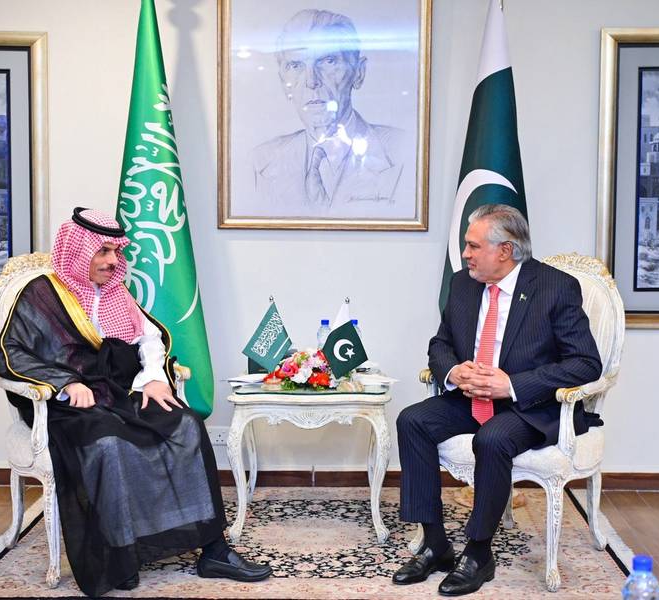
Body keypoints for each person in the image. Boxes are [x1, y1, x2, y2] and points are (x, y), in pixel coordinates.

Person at [0, 208, 271, 597]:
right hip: (68, 405)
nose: (112, 261)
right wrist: (66, 383)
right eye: (103, 251)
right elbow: (12, 352)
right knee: (107, 443)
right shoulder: (41, 293)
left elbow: (149, 337)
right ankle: (120, 556)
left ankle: (214, 549)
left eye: (116, 252)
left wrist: (154, 377)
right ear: (78, 251)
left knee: (186, 425)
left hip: (120, 392)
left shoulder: (116, 292)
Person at [393, 204, 602, 596]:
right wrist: (453, 372)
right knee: (412, 420)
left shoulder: (555, 287)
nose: (465, 254)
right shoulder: (463, 284)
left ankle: (478, 553)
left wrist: (513, 384)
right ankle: (435, 544)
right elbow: (440, 344)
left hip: (529, 407)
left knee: (491, 439)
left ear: (505, 250)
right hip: (471, 398)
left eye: (473, 246)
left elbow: (586, 363)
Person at [251, 9, 409, 217]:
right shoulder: (260, 160)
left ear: (358, 72)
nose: (311, 81)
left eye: (328, 61)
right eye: (296, 65)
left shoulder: (402, 152)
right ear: (284, 82)